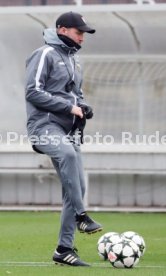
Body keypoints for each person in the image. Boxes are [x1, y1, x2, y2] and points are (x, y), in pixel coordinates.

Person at [25, 11, 103, 266]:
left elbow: (75, 95)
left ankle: (64, 249)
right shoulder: (45, 54)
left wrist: (83, 106)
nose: (83, 37)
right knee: (68, 156)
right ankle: (82, 215)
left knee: (77, 188)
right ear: (62, 30)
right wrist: (70, 108)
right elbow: (33, 92)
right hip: (44, 126)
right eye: (79, 32)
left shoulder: (74, 61)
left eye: (84, 33)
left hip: (68, 131)